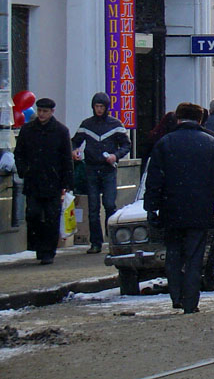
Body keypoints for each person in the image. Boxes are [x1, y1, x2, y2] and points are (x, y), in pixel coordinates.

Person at [144, 102, 214, 315]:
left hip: (171, 208)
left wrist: (151, 208)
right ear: (200, 120)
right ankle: (191, 301)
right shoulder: (211, 144)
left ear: (179, 119)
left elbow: (154, 180)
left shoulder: (165, 143)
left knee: (173, 254)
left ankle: (177, 296)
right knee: (194, 257)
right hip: (200, 210)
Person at [14, 98, 73, 265]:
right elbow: (19, 153)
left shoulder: (61, 131)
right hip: (33, 180)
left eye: (45, 111)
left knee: (51, 218)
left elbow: (66, 158)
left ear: (52, 112)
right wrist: (24, 170)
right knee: (32, 214)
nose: (41, 114)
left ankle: (48, 251)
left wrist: (67, 183)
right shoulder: (28, 130)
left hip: (53, 182)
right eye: (39, 111)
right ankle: (38, 247)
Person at [73, 92, 130, 254]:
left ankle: (112, 240)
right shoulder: (86, 125)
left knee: (110, 204)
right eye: (97, 107)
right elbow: (74, 141)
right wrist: (75, 151)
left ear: (106, 108)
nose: (99, 110)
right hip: (91, 168)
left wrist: (115, 156)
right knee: (93, 207)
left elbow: (126, 145)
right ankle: (96, 242)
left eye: (102, 107)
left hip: (108, 169)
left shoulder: (115, 125)